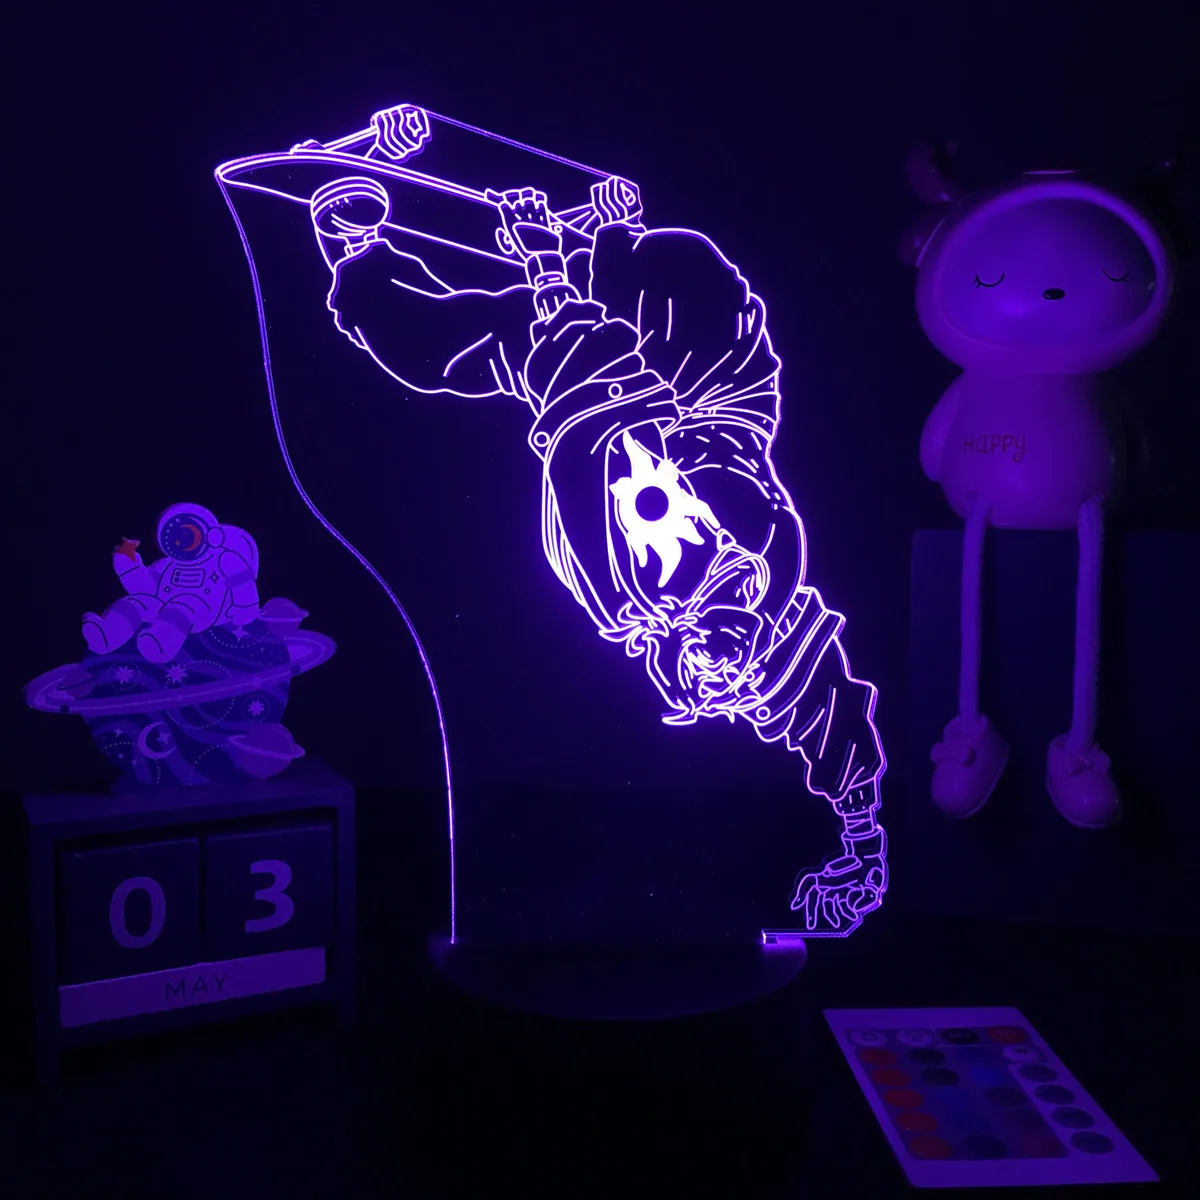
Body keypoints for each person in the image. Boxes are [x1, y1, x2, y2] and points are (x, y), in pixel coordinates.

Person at [318, 169, 886, 934]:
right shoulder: (763, 586)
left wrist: (548, 269)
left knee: (479, 342)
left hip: (604, 409)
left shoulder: (630, 571)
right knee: (687, 276)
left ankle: (358, 256)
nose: (722, 662)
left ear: (678, 657)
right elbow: (835, 725)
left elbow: (595, 408)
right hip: (717, 393)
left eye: (706, 672)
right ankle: (614, 258)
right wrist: (861, 842)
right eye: (738, 661)